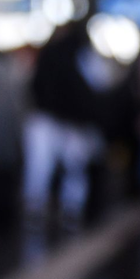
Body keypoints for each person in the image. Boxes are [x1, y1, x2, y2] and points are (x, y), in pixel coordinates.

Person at [21, 21, 104, 230]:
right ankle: (65, 208)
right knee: (65, 168)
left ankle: (52, 207)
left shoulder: (55, 53)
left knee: (56, 166)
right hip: (63, 121)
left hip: (63, 121)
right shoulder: (81, 55)